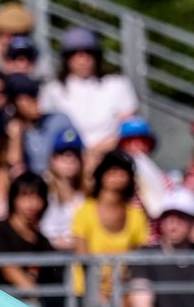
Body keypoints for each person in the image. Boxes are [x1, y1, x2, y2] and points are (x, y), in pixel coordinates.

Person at [72, 150, 149, 307]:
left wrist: (126, 295)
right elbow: (83, 258)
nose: (117, 177)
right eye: (112, 171)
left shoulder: (136, 216)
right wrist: (99, 293)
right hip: (88, 292)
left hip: (123, 293)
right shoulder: (85, 212)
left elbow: (137, 262)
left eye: (122, 172)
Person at [39, 28, 138, 158]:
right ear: (66, 59)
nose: (82, 60)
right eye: (75, 54)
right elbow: (47, 130)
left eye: (88, 53)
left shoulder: (117, 84)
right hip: (68, 157)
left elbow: (127, 126)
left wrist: (96, 151)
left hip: (112, 155)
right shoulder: (52, 89)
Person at [0, 172, 66, 307]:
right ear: (13, 199)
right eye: (25, 196)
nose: (32, 204)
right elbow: (9, 270)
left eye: (38, 196)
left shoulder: (43, 242)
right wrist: (37, 297)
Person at [9, 72, 75, 175]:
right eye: (28, 95)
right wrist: (17, 136)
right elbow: (14, 168)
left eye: (36, 92)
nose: (35, 99)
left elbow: (79, 157)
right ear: (13, 103)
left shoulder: (59, 121)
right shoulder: (9, 129)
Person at [41, 127, 87, 249]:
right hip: (48, 257)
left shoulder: (87, 194)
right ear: (52, 159)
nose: (69, 158)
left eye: (74, 154)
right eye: (62, 153)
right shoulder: (43, 190)